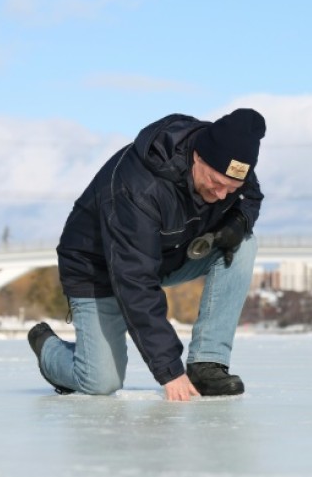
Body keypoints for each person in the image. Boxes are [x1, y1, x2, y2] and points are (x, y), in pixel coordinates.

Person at [28, 108, 266, 401]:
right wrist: (169, 370)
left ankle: (207, 364)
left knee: (244, 244)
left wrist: (240, 220)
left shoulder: (231, 162)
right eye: (216, 183)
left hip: (166, 254)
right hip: (96, 267)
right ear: (198, 157)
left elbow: (250, 196)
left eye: (231, 188)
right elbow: (135, 279)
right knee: (101, 382)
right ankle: (49, 349)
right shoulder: (138, 186)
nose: (220, 194)